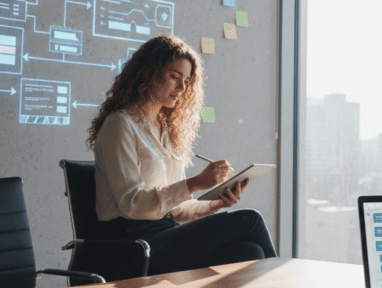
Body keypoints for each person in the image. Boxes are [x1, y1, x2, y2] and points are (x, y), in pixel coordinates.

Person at [87, 34, 276, 275]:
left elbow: (177, 210)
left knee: (249, 252)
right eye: (174, 77)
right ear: (148, 74)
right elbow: (131, 205)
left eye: (186, 80)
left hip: (165, 236)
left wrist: (217, 203)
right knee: (249, 219)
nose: (182, 88)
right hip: (133, 245)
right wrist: (195, 182)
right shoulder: (120, 125)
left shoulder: (166, 132)